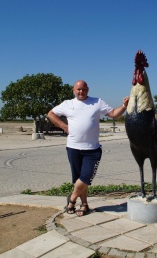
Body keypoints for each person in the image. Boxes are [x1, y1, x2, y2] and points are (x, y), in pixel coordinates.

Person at [47, 80, 129, 216]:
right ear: (74, 90)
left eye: (83, 89)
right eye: (78, 89)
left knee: (85, 177)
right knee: (78, 178)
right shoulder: (68, 104)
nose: (81, 92)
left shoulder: (97, 102)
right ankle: (84, 204)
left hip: (92, 149)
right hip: (73, 147)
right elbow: (51, 114)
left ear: (88, 89)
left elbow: (114, 113)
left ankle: (72, 199)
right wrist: (63, 126)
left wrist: (125, 106)